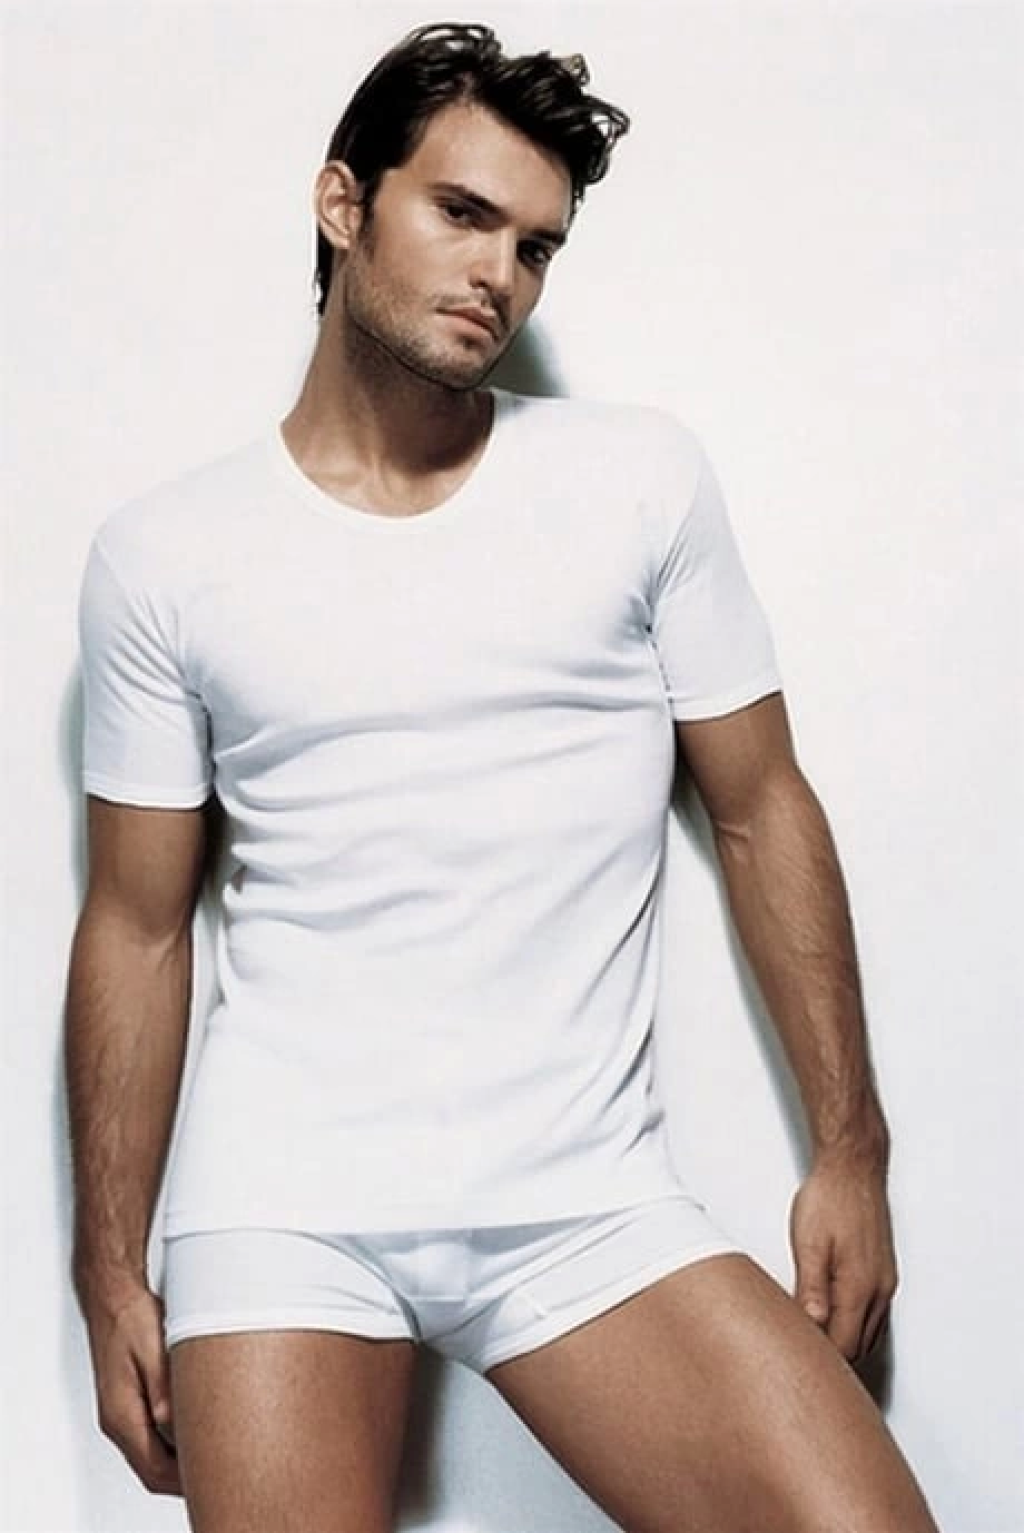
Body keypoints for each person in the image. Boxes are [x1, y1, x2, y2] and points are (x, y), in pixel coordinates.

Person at [64, 21, 940, 1533]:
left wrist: (851, 1152)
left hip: (581, 1199)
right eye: (463, 214)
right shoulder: (166, 556)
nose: (499, 274)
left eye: (535, 246)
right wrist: (106, 1267)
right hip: (283, 1206)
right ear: (344, 203)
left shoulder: (636, 480)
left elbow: (761, 808)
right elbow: (137, 926)